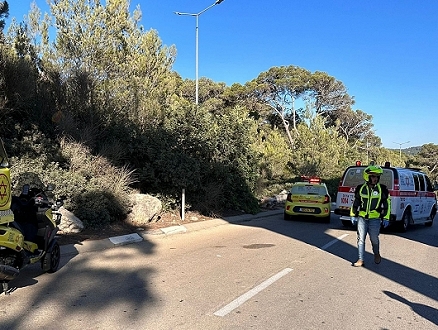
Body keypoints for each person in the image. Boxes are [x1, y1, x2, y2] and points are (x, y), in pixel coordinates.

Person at [350, 165, 391, 267]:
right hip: (362, 217)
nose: (375, 179)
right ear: (367, 177)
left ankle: (376, 254)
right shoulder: (360, 188)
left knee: (374, 239)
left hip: (375, 218)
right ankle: (360, 259)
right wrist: (352, 214)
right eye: (373, 176)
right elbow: (356, 202)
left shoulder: (382, 189)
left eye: (377, 177)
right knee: (360, 239)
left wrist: (386, 217)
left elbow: (387, 204)